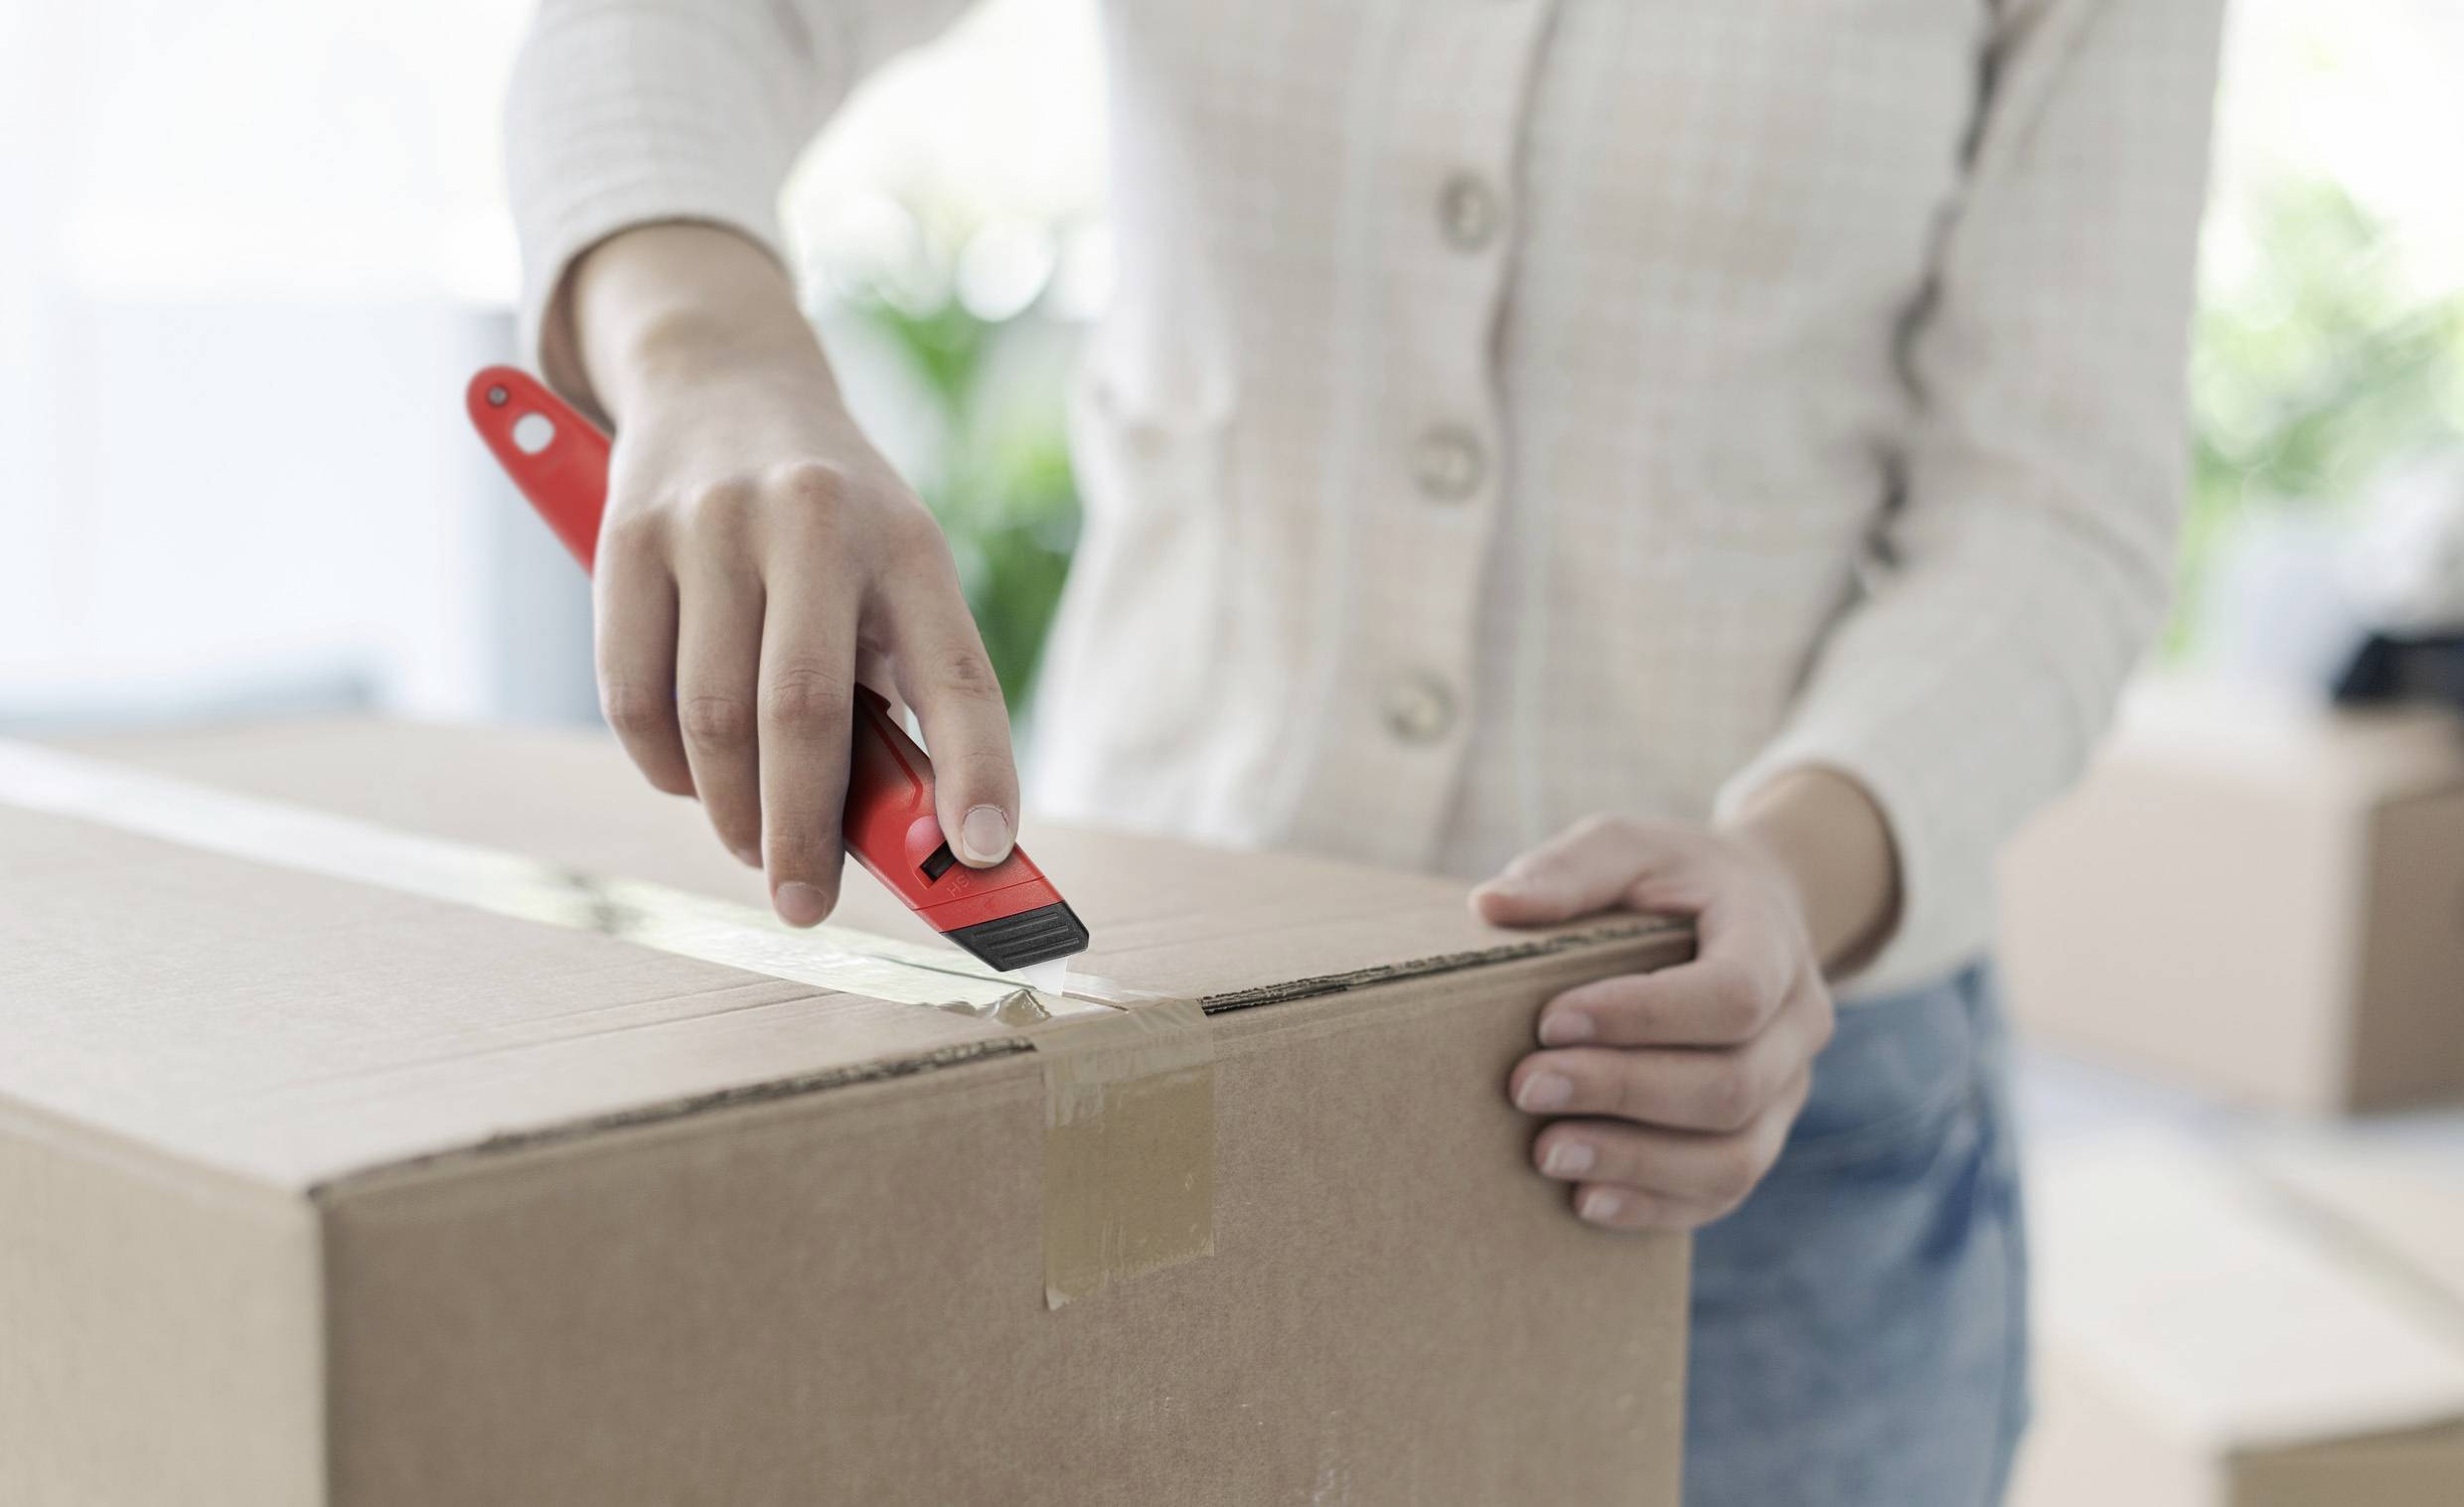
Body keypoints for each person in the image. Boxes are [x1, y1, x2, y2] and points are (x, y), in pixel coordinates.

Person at [504, 2, 2224, 1500]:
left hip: (1746, 1126)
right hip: (1169, 1067)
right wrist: (710, 354)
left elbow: (2052, 515)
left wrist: (1789, 858)